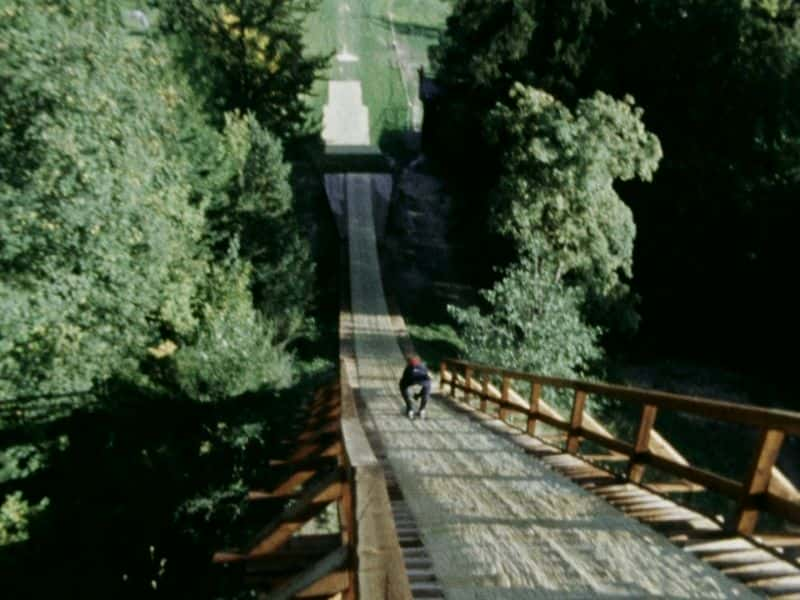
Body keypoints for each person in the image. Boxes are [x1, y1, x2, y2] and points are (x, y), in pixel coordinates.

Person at [399, 355, 431, 419]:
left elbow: (404, 379)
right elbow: (428, 377)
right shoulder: (423, 365)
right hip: (423, 379)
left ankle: (410, 408)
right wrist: (420, 394)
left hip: (410, 379)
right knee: (426, 388)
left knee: (402, 385)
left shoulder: (408, 368)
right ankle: (422, 409)